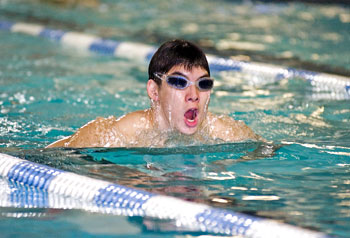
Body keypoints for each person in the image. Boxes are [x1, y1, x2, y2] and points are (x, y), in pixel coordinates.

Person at [47, 39, 261, 148]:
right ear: (154, 91)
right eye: (179, 82)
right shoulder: (120, 134)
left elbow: (273, 153)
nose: (194, 94)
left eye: (202, 84)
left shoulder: (225, 133)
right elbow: (50, 156)